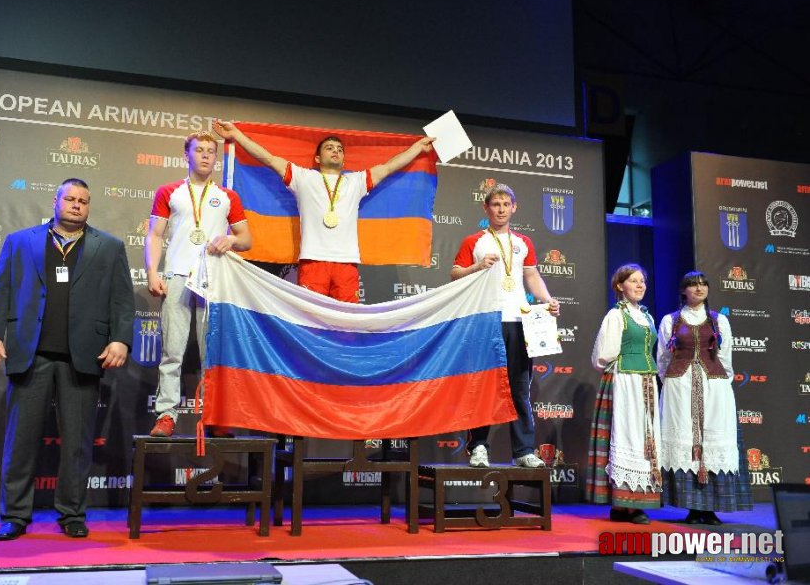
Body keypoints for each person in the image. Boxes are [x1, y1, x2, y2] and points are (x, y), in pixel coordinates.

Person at [0, 178, 134, 541]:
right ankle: (15, 515)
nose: (76, 205)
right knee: (21, 440)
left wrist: (121, 341)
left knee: (78, 443)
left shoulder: (109, 247)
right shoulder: (20, 241)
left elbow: (123, 302)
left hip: (83, 356)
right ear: (56, 201)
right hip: (29, 353)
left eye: (83, 201)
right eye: (70, 199)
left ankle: (72, 514)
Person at [212, 119, 433, 302]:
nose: (335, 152)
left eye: (339, 150)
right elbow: (268, 158)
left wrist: (417, 148)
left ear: (344, 158)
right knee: (311, 320)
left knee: (347, 322)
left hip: (346, 263)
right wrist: (236, 135)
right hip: (313, 261)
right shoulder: (303, 177)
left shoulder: (356, 181)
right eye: (329, 148)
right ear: (318, 158)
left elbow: (388, 167)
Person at [146, 131, 252, 437]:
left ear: (215, 159)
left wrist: (231, 239)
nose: (205, 155)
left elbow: (246, 239)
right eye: (199, 150)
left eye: (210, 151)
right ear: (186, 155)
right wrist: (153, 271)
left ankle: (213, 416)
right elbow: (155, 235)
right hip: (177, 274)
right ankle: (167, 415)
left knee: (213, 352)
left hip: (214, 279)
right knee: (172, 350)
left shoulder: (228, 197)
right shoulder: (169, 191)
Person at [451, 181, 559, 469]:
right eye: (495, 204)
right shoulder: (474, 241)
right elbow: (455, 274)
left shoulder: (523, 242)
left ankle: (523, 450)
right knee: (483, 385)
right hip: (485, 321)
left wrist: (547, 299)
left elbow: (532, 277)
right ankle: (478, 447)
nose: (500, 209)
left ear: (514, 208)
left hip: (519, 322)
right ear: (486, 208)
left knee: (519, 388)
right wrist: (477, 267)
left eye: (505, 204)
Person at [657, 271, 752, 525]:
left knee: (711, 438)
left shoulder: (719, 320)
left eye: (703, 285)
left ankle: (710, 508)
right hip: (680, 386)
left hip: (714, 387)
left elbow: (726, 357)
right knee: (686, 439)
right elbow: (663, 360)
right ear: (683, 291)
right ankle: (692, 507)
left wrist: (720, 384)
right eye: (692, 285)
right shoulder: (670, 321)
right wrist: (674, 383)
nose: (699, 289)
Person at [585, 263, 662, 524]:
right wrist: (622, 372)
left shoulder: (647, 317)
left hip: (647, 382)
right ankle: (624, 503)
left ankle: (634, 501)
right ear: (620, 286)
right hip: (625, 381)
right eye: (634, 281)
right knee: (627, 435)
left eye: (643, 281)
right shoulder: (616, 316)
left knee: (645, 439)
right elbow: (602, 355)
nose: (640, 285)